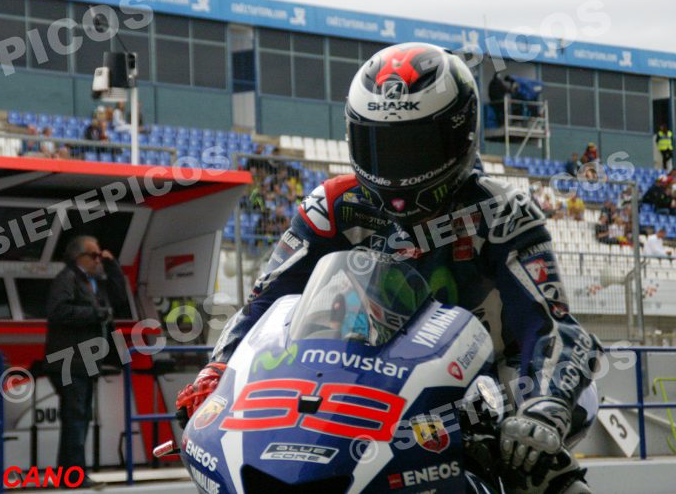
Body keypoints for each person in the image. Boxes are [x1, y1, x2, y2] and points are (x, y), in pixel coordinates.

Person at [178, 43, 598, 492]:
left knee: (531, 463)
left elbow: (553, 327)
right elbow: (262, 306)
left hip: (494, 381)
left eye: (415, 144)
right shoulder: (333, 206)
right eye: (378, 144)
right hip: (366, 377)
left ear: (459, 135)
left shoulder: (502, 211)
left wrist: (542, 407)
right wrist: (217, 371)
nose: (396, 165)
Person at [44, 236, 126, 489]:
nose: (98, 259)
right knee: (76, 417)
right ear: (78, 257)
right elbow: (57, 311)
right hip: (70, 361)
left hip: (84, 361)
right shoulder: (67, 278)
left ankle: (70, 474)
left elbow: (120, 298)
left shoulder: (92, 282)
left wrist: (112, 267)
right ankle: (73, 476)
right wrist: (96, 314)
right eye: (94, 255)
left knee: (79, 416)